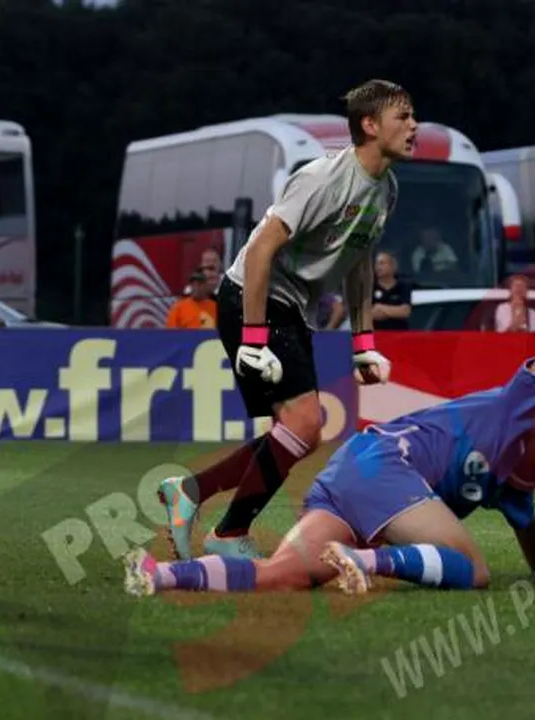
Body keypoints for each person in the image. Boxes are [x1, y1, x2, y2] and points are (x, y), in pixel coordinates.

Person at [124, 336, 535, 597]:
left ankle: (161, 575)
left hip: (353, 471)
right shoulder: (522, 403)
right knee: (473, 570)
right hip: (387, 467)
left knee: (284, 577)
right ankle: (362, 561)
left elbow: (525, 522)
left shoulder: (518, 485)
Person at [157, 79, 418, 560]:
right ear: (369, 124)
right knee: (303, 424)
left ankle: (191, 494)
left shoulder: (387, 188)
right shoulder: (323, 177)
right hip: (252, 298)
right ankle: (228, 533)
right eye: (402, 116)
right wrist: (254, 338)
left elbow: (358, 261)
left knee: (292, 432)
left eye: (411, 115)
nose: (413, 125)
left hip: (290, 307)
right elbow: (259, 250)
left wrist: (363, 343)